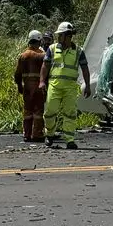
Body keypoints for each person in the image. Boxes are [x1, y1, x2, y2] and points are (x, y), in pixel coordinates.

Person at [42, 21, 91, 149]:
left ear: (68, 36)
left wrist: (88, 85)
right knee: (50, 112)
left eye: (61, 35)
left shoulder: (78, 51)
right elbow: (45, 66)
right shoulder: (52, 49)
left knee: (70, 113)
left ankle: (69, 139)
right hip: (54, 85)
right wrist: (42, 81)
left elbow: (85, 68)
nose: (59, 38)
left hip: (70, 87)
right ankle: (49, 134)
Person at [14, 30, 47, 143]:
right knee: (38, 112)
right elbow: (47, 73)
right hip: (38, 88)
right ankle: (37, 134)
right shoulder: (42, 56)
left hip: (27, 88)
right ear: (39, 41)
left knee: (27, 111)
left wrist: (19, 86)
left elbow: (17, 74)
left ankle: (27, 134)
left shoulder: (23, 55)